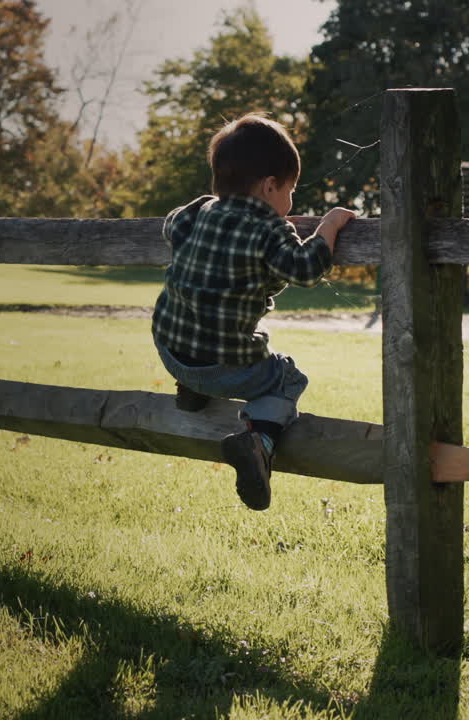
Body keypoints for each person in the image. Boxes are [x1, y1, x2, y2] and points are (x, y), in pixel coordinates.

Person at [152, 113, 356, 511]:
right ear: (269, 186)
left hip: (171, 353)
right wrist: (327, 226)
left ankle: (192, 390)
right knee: (287, 378)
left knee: (203, 317)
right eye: (290, 192)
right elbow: (303, 270)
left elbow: (170, 226)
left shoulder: (197, 212)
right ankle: (259, 443)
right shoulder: (268, 228)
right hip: (224, 365)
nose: (290, 203)